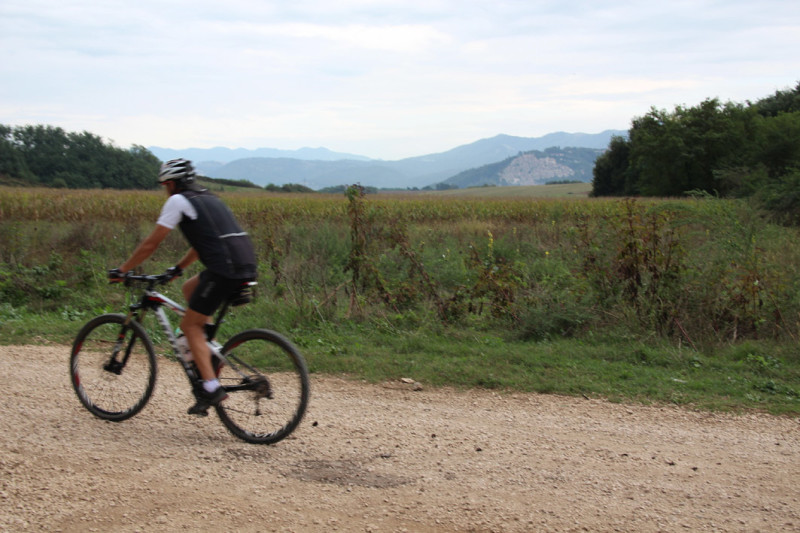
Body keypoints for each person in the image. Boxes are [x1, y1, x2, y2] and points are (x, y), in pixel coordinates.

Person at [110, 158, 257, 415]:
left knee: (189, 324)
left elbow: (150, 244)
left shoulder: (177, 201)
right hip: (244, 262)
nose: (165, 189)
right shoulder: (208, 197)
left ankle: (211, 387)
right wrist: (178, 269)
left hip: (224, 269)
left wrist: (123, 270)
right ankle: (207, 348)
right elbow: (204, 242)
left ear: (170, 183)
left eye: (165, 184)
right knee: (190, 289)